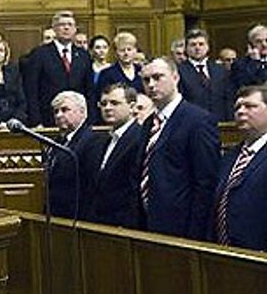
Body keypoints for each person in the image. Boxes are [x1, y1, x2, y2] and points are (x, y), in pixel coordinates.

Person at [138, 57, 220, 241]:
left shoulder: (198, 120)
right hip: (148, 223)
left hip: (182, 228)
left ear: (175, 77)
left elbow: (206, 183)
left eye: (157, 77)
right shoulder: (148, 123)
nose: (151, 85)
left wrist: (195, 234)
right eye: (146, 80)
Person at [213, 84, 267, 250]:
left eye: (250, 106)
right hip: (225, 252)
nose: (241, 111)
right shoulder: (230, 157)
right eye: (237, 107)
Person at [82, 84, 142, 228]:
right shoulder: (101, 141)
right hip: (98, 222)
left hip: (124, 225)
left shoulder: (140, 138)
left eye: (114, 103)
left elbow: (134, 189)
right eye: (103, 104)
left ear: (132, 107)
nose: (107, 108)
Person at [24, 11, 93, 127]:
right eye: (62, 25)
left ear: (75, 29)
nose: (66, 28)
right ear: (54, 29)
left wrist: (89, 119)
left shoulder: (83, 55)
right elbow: (31, 90)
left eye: (70, 25)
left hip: (78, 121)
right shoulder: (40, 54)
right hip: (48, 119)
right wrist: (36, 121)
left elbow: (89, 90)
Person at [46, 91, 93, 219]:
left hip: (77, 215)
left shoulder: (91, 141)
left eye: (65, 110)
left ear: (82, 112)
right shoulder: (56, 142)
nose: (59, 115)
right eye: (56, 111)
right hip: (56, 214)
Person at [177, 28, 233, 121]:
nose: (197, 48)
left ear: (207, 47)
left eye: (201, 44)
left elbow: (228, 99)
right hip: (192, 122)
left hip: (219, 122)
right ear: (186, 49)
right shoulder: (179, 71)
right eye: (193, 45)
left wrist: (230, 121)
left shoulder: (220, 70)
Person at [230, 24, 267, 92]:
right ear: (251, 44)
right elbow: (247, 86)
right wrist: (255, 62)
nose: (264, 45)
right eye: (259, 41)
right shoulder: (240, 65)